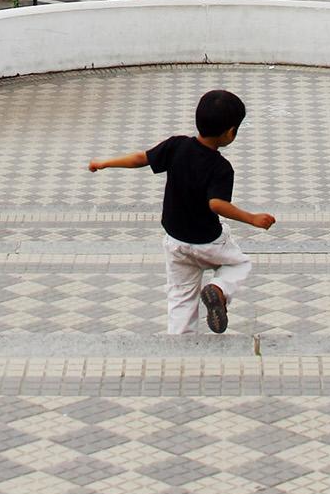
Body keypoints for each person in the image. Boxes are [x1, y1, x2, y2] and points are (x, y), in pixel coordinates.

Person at [88, 87, 275, 334]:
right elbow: (216, 204)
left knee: (180, 297)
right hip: (208, 241)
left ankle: (180, 348)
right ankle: (218, 290)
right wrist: (251, 218)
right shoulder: (220, 167)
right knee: (239, 264)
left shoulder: (176, 145)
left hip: (176, 241)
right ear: (230, 133)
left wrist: (105, 163)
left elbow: (139, 159)